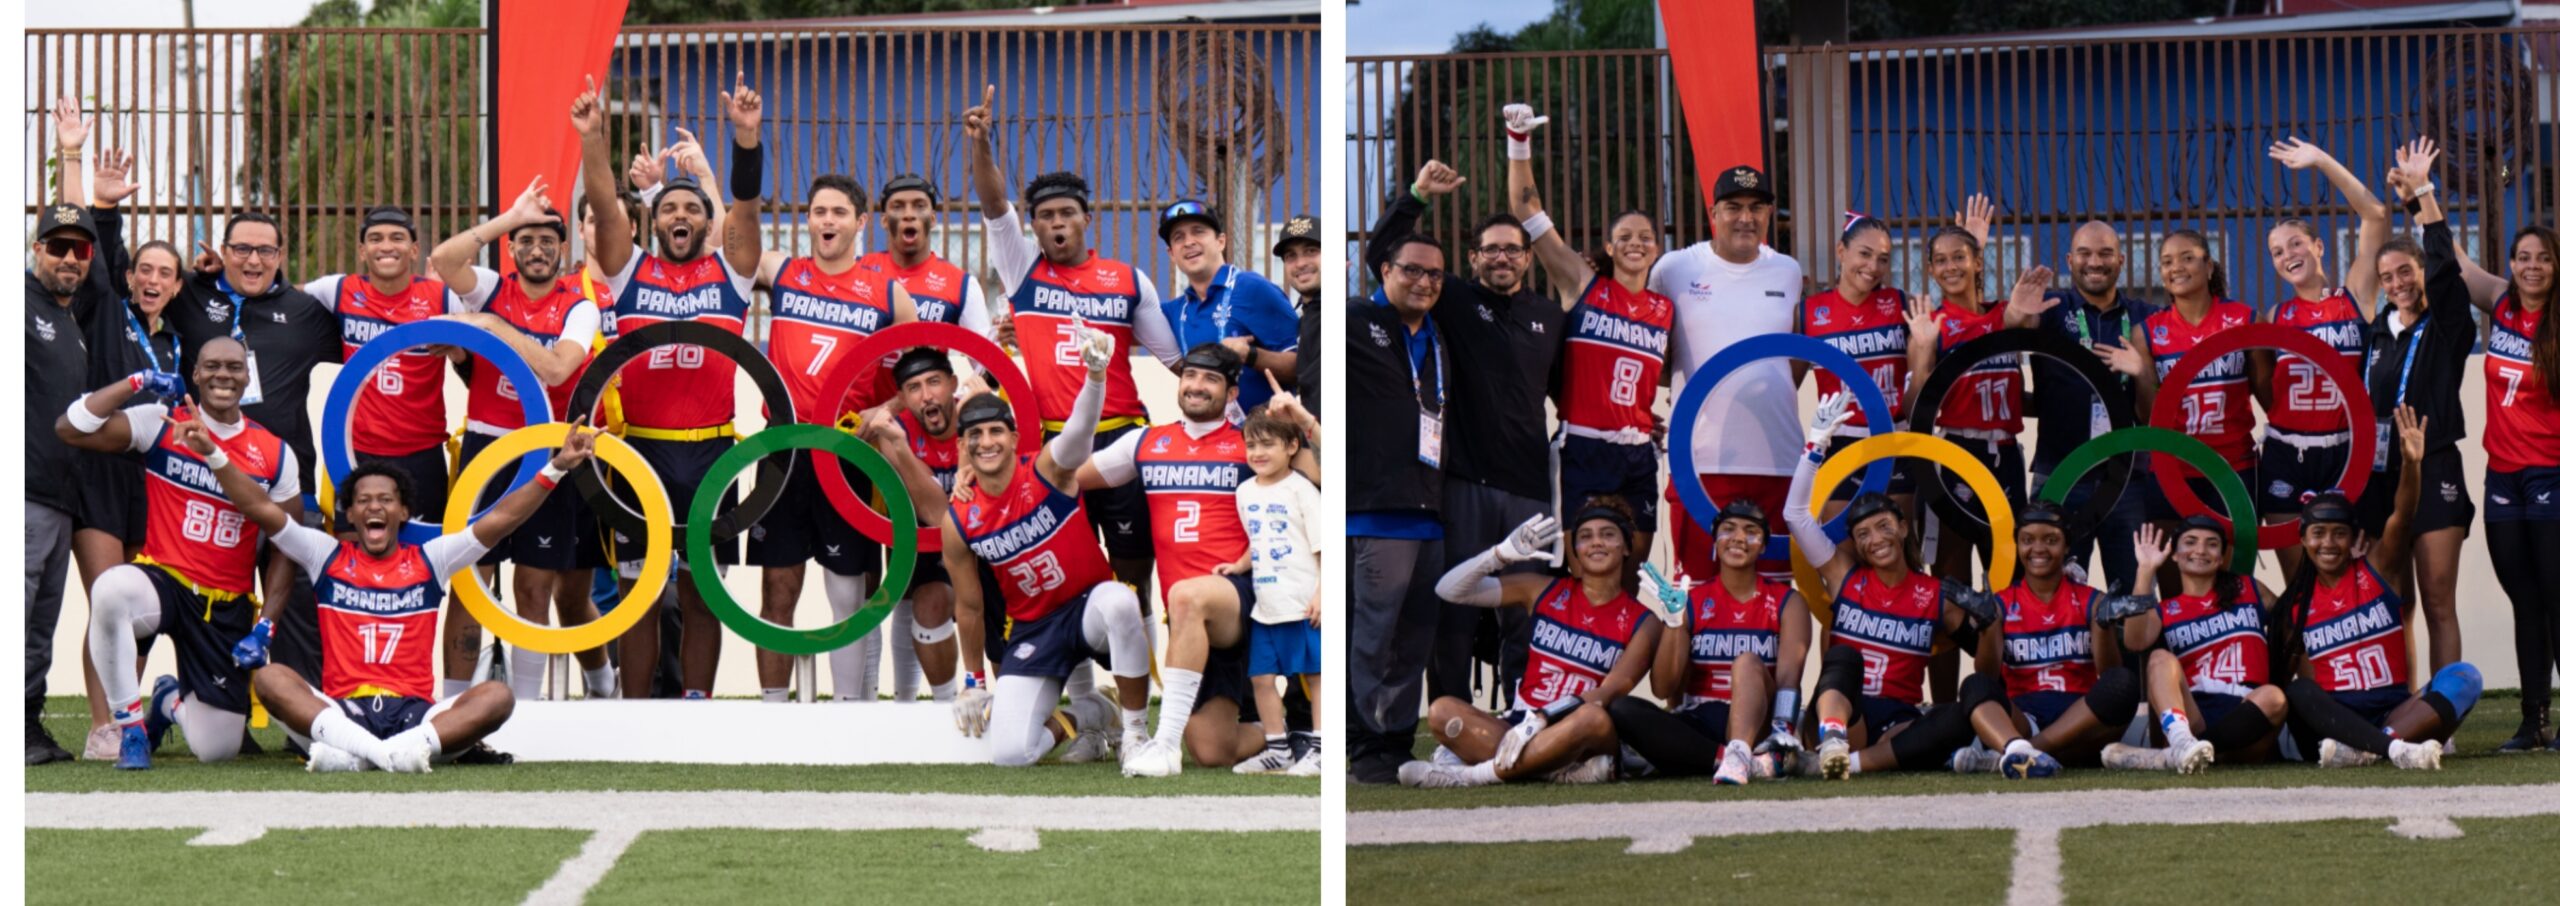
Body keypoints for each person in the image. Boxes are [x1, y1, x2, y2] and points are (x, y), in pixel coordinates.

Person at [198, 420, 599, 772]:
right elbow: (258, 506)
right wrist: (213, 452)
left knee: (497, 697)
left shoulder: (432, 558)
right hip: (343, 712)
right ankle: (385, 755)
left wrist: (556, 466)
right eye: (364, 501)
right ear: (350, 515)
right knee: (270, 678)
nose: (375, 507)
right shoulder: (326, 555)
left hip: (415, 716)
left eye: (386, 500)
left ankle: (360, 757)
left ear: (403, 512)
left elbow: (502, 518)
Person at [574, 72, 766, 699]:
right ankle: (636, 712)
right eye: (669, 209)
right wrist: (593, 141)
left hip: (712, 452)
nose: (679, 215)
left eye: (691, 209)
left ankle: (699, 704)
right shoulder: (628, 270)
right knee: (638, 590)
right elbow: (605, 206)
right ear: (654, 221)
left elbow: (747, 208)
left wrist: (744, 141)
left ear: (708, 225)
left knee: (703, 589)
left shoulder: (732, 272)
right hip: (641, 453)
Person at [964, 84, 1183, 613]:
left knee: (1135, 575)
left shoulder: (1130, 280)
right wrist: (981, 144)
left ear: (1089, 219)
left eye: (1067, 213)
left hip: (1123, 440)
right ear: (1033, 226)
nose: (1057, 223)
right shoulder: (1022, 270)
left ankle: (1140, 692)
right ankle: (1080, 694)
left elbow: (1178, 363)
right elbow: (995, 206)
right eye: (1045, 216)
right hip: (1054, 449)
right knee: (1065, 572)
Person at [1367, 153, 1566, 709]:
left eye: (1513, 249)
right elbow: (1382, 256)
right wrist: (1417, 196)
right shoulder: (1449, 299)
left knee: (1523, 611)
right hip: (1461, 485)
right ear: (1474, 258)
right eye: (1491, 249)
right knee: (1453, 607)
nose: (1502, 257)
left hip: (1530, 489)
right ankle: (1452, 717)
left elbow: (1569, 393)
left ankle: (1524, 715)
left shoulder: (1549, 318)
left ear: (1527, 258)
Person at [1785, 393, 2058, 780]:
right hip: (1845, 714)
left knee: (1961, 708)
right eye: (1863, 534)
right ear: (1856, 545)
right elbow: (1795, 516)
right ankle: (1833, 744)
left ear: (1902, 526)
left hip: (1899, 722)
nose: (1875, 539)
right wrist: (1816, 446)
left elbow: (1989, 667)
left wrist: (1989, 622)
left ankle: (1851, 764)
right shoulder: (1844, 573)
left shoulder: (1935, 595)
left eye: (1883, 527)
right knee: (1844, 658)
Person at [58, 338, 296, 768]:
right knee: (110, 588)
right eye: (212, 366)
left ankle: (168, 701)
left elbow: (288, 545)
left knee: (216, 749)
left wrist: (266, 628)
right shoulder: (163, 420)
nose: (223, 375)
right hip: (163, 581)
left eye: (234, 367)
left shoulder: (276, 453)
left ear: (248, 377)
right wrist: (138, 381)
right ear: (196, 374)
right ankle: (130, 727)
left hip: (223, 603)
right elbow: (71, 427)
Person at [427, 176, 615, 702]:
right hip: (488, 447)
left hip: (550, 451)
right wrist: (509, 218)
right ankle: (452, 704)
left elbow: (558, 370)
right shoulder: (492, 287)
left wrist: (492, 327)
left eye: (547, 242)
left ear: (563, 249)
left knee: (536, 587)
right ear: (511, 250)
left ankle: (529, 710)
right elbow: (444, 261)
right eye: (525, 241)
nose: (537, 250)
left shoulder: (579, 304)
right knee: (470, 582)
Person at [939, 317, 1155, 769]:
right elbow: (969, 606)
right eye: (975, 435)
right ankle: (1094, 711)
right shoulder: (959, 518)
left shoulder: (1045, 470)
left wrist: (1095, 377)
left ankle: (1135, 734)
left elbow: (1079, 431)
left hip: (1086, 607)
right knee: (1012, 753)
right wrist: (974, 678)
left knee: (1120, 603)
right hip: (1034, 627)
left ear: (1015, 438)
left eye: (996, 431)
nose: (986, 442)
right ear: (962, 447)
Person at [742, 172, 923, 704]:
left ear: (861, 222)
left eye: (839, 212)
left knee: (847, 589)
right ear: (808, 220)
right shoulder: (783, 271)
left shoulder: (891, 296)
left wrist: (880, 409)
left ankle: (849, 712)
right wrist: (705, 176)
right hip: (782, 450)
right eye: (819, 211)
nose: (827, 221)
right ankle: (775, 714)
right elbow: (729, 237)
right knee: (777, 588)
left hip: (846, 453)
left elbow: (915, 381)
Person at [1504, 102, 1673, 585]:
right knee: (1577, 566)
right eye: (1625, 236)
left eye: (1645, 237)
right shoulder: (1584, 283)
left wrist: (1651, 419)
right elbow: (1526, 211)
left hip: (1639, 451)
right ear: (1611, 245)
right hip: (1583, 446)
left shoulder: (1666, 310)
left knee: (1633, 567)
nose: (1636, 243)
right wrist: (1519, 142)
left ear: (1656, 249)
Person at [1084, 344, 1267, 774]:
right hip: (1192, 622)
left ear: (1233, 393)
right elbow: (1063, 478)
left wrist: (1307, 427)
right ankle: (1293, 734)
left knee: (1186, 595)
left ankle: (1162, 746)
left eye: (1210, 379)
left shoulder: (1251, 443)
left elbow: (1321, 478)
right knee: (1212, 751)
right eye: (1190, 376)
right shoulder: (1145, 441)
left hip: (1242, 597)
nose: (1196, 386)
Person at [1399, 501, 1666, 788]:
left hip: (1580, 732)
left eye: (1608, 534)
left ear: (1626, 547)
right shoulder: (1542, 588)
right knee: (1441, 711)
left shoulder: (1644, 621)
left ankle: (1471, 776)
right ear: (1575, 549)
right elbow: (1448, 590)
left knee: (1593, 717)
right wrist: (1498, 556)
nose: (1596, 542)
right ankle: (1555, 772)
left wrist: (1544, 718)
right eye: (1585, 536)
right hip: (1518, 724)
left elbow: (1608, 692)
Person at [2272, 410, 2473, 771]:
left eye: (2338, 533)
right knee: (2299, 692)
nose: (2329, 543)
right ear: (2303, 540)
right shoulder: (2294, 606)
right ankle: (2389, 748)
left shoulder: (2378, 568)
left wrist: (2412, 464)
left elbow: (2403, 515)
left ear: (2354, 538)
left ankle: (2372, 749)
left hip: (2393, 712)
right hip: (2334, 723)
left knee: (2464, 677)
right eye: (2318, 534)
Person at [2357, 138, 2478, 675]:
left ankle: (2444, 715)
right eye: (2388, 278)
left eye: (2406, 272)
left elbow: (2448, 268)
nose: (2398, 284)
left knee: (2436, 599)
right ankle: (2404, 708)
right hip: (2383, 473)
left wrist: (2422, 192)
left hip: (2436, 467)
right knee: (2393, 602)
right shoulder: (2376, 333)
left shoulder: (2448, 324)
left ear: (2421, 271)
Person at [1652, 164, 1804, 584]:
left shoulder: (1788, 271)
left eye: (1757, 208)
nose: (1746, 217)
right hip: (1698, 458)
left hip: (1778, 458)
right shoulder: (1673, 269)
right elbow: (1651, 351)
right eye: (1733, 206)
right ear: (1713, 213)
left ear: (1770, 215)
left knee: (1772, 596)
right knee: (1696, 595)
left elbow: (1794, 360)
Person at [1603, 500, 1812, 786]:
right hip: (1700, 720)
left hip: (1758, 721)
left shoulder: (1787, 601)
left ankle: (1738, 752)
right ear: (1715, 541)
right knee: (1623, 709)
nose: (1739, 538)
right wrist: (1674, 623)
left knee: (1747, 662)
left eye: (1751, 531)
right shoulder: (1693, 600)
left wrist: (1783, 729)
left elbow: (1789, 679)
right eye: (1729, 530)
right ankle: (1730, 761)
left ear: (1763, 545)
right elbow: (1663, 688)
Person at [1903, 197, 2055, 587]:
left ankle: (2001, 651)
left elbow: (2016, 324)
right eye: (1941, 260)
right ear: (1932, 272)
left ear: (1977, 262)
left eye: (1960, 257)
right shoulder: (1931, 325)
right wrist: (1922, 354)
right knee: (1951, 586)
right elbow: (1912, 407)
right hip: (1955, 454)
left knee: (2010, 580)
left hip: (2006, 457)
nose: (1951, 266)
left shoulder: (2003, 313)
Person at [2258, 137, 2387, 577]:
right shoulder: (2275, 316)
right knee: (2299, 588)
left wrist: (2322, 161)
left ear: (2318, 247)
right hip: (2284, 453)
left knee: (2352, 580)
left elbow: (2375, 215)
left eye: (2295, 244)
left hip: (2345, 452)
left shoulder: (2354, 297)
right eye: (2277, 252)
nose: (2287, 256)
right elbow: (2262, 387)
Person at [1346, 233, 1449, 783]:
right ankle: (1363, 746)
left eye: (1435, 274)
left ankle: (1396, 741)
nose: (1424, 282)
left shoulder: (1438, 336)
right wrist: (1412, 197)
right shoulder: (1358, 322)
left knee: (1414, 639)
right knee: (1370, 637)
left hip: (1430, 514)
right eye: (1412, 270)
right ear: (1384, 269)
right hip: (1375, 510)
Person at [1957, 501, 2154, 769]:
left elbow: (2109, 673)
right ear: (2017, 545)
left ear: (2067, 547)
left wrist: (2103, 626)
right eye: (2028, 540)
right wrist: (1987, 625)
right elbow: (1988, 675)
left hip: (2079, 718)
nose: (2038, 549)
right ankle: (2026, 750)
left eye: (2051, 540)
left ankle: (2021, 755)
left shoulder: (2091, 600)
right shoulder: (2001, 603)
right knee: (1974, 685)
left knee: (2123, 683)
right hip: (2025, 719)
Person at [2100, 229, 2266, 531]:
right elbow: (2150, 417)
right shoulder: (2148, 332)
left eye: (2187, 258)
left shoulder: (2245, 320)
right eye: (2166, 262)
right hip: (2171, 469)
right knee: (2172, 573)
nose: (2176, 267)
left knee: (2232, 575)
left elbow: (2269, 397)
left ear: (2209, 266)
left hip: (2233, 466)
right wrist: (2142, 372)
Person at [2468, 222, 2560, 752]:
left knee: (2556, 598)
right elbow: (2457, 265)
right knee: (2525, 601)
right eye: (2523, 257)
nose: (2531, 267)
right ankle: (2533, 722)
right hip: (2502, 475)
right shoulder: (2501, 303)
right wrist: (2422, 194)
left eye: (2543, 258)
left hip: (2551, 473)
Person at [2100, 516, 2290, 769]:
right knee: (2158, 659)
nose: (2200, 550)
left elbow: (2292, 624)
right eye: (2190, 542)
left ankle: (2173, 757)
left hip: (2248, 711)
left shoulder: (2248, 588)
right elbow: (2135, 642)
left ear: (2221, 556)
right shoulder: (2167, 609)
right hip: (2192, 714)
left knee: (2274, 697)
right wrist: (2145, 570)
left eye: (2211, 544)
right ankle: (2183, 745)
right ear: (2175, 555)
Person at [2031, 221, 2157, 592]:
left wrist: (2142, 371)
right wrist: (2017, 313)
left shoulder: (2146, 316)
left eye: (2105, 253)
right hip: (2060, 474)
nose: (2095, 262)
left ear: (2121, 259)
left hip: (2127, 480)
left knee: (2134, 595)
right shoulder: (2052, 308)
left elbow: (2152, 415)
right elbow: (2013, 327)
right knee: (2053, 593)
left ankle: (2133, 654)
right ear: (2070, 260)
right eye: (2085, 253)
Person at [850, 347, 968, 702]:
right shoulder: (895, 430)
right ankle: (944, 708)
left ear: (954, 384)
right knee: (926, 603)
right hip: (941, 536)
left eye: (934, 382)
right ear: (902, 398)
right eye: (914, 388)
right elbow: (936, 516)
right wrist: (897, 438)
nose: (927, 395)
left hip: (990, 538)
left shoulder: (977, 418)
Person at [1227, 406, 1324, 777]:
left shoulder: (1302, 489)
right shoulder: (1244, 492)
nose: (1257, 453)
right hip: (1266, 608)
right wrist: (1238, 565)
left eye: (1268, 444)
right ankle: (1278, 748)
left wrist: (1322, 595)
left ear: (1292, 446)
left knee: (1317, 678)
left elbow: (1321, 545)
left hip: (1303, 605)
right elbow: (1260, 539)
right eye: (1251, 445)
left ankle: (1320, 748)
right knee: (1261, 680)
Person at [1805, 214, 1913, 517]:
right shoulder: (1810, 313)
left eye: (1883, 259)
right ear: (1842, 251)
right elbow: (1786, 384)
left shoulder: (1900, 303)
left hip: (1894, 441)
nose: (1873, 267)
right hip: (1840, 442)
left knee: (1896, 548)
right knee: (1843, 549)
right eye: (1864, 254)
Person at [1159, 200, 1301, 414]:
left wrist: (1251, 355)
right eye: (1179, 237)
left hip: (1265, 441)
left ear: (1221, 241)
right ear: (1171, 253)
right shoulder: (1175, 311)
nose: (1189, 242)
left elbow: (1302, 367)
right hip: (1210, 438)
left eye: (1198, 232)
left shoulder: (1254, 289)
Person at [858, 173, 995, 333]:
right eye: (898, 206)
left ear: (932, 219)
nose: (909, 214)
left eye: (919, 206)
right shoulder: (859, 269)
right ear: (885, 221)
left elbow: (983, 354)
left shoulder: (962, 285)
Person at [1273, 215, 1320, 416]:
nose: (1300, 263)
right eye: (1291, 256)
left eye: (1311, 251)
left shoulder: (1350, 315)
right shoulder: (1304, 318)